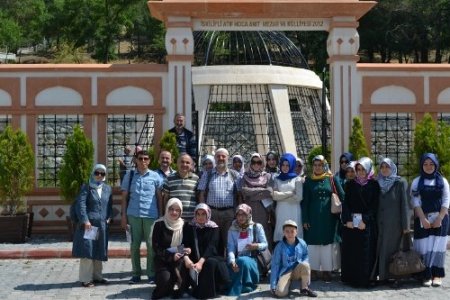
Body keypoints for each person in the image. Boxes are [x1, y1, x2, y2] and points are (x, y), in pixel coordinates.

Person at [121, 150, 163, 284]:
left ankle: (151, 274)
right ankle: (136, 274)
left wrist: (161, 215)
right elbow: (124, 197)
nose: (143, 161)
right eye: (140, 158)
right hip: (133, 215)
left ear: (149, 161)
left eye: (146, 158)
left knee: (151, 246)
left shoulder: (156, 176)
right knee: (134, 246)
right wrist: (123, 216)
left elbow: (159, 197)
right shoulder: (130, 175)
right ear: (136, 160)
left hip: (151, 215)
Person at [302, 155, 344, 282]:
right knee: (313, 244)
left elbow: (342, 195)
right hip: (313, 217)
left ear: (324, 165)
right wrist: (305, 219)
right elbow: (305, 202)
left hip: (329, 218)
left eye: (320, 165)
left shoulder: (331, 179)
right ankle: (313, 270)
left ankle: (327, 270)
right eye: (315, 165)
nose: (317, 167)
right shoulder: (308, 181)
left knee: (328, 244)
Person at [411, 153, 449, 287]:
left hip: (440, 219)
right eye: (425, 164)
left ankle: (437, 274)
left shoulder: (442, 181)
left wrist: (440, 218)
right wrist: (423, 218)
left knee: (438, 246)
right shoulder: (417, 181)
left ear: (436, 165)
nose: (428, 167)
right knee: (424, 247)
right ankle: (425, 274)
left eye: (431, 164)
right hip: (423, 220)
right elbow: (415, 202)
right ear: (422, 165)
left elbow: (446, 200)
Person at [341, 157, 380, 287]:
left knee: (366, 253)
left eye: (363, 169)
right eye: (358, 169)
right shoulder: (351, 184)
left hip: (366, 225)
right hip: (352, 225)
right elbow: (345, 204)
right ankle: (352, 279)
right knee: (352, 252)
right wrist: (347, 220)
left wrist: (365, 220)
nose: (361, 172)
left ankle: (366, 279)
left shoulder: (374, 185)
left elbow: (375, 206)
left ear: (368, 169)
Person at [72, 164, 113, 287]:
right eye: (97, 173)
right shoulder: (87, 187)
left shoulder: (107, 189)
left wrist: (109, 217)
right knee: (88, 250)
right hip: (90, 225)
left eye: (102, 173)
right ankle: (86, 279)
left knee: (99, 249)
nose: (99, 175)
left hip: (102, 224)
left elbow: (109, 205)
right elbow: (81, 205)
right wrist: (85, 220)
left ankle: (97, 277)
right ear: (93, 173)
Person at [373, 157, 410, 286]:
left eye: (387, 167)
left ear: (392, 168)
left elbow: (405, 204)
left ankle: (396, 276)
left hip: (395, 223)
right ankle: (383, 276)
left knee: (394, 250)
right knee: (382, 249)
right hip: (381, 222)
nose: (384, 169)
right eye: (382, 167)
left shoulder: (399, 183)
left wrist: (406, 225)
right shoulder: (377, 182)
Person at [180, 203, 230, 299]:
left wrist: (200, 262)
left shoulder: (214, 228)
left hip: (212, 256)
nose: (200, 217)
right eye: (198, 214)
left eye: (203, 214)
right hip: (194, 258)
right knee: (183, 262)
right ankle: (185, 288)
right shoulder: (189, 226)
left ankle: (207, 293)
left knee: (210, 263)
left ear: (208, 214)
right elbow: (182, 244)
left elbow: (212, 247)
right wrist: (186, 259)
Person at [198, 148, 241, 256]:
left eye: (223, 156)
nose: (221, 158)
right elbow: (202, 193)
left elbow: (239, 195)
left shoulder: (235, 175)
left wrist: (238, 213)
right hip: (212, 213)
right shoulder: (207, 174)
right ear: (215, 158)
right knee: (213, 242)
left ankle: (229, 267)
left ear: (228, 158)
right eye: (218, 156)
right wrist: (203, 212)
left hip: (229, 214)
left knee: (229, 243)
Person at [151, 198, 190, 299]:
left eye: (177, 210)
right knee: (165, 281)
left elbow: (185, 243)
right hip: (163, 259)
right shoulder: (159, 224)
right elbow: (156, 247)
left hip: (179, 259)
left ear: (181, 211)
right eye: (171, 209)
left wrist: (182, 252)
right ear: (167, 209)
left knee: (183, 281)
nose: (174, 212)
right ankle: (169, 283)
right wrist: (171, 256)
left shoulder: (184, 225)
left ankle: (180, 285)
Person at [227, 204, 268, 296]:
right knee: (234, 263)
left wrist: (256, 246)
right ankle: (241, 284)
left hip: (253, 259)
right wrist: (232, 261)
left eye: (244, 214)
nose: (241, 217)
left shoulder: (257, 227)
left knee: (242, 261)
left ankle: (247, 283)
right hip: (238, 258)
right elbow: (231, 248)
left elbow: (265, 244)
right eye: (239, 215)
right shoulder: (232, 229)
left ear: (249, 215)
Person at [270, 220, 317, 298]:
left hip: (297, 269)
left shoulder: (302, 243)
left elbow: (306, 256)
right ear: (283, 232)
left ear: (296, 232)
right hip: (285, 272)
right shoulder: (279, 246)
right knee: (280, 293)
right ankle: (286, 284)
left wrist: (302, 263)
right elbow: (275, 265)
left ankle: (304, 288)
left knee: (305, 265)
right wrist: (273, 285)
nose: (290, 234)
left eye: (292, 231)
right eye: (287, 231)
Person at [241, 153, 274, 249]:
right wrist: (262, 190)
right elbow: (244, 191)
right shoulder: (245, 176)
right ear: (250, 163)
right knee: (250, 233)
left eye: (259, 162)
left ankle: (267, 260)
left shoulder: (267, 176)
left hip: (263, 210)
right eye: (253, 162)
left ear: (262, 163)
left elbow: (269, 192)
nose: (256, 164)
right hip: (249, 210)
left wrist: (251, 195)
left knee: (264, 233)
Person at [272, 153, 303, 243]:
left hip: (294, 210)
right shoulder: (277, 179)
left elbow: (299, 197)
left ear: (292, 165)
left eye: (287, 165)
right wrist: (290, 193)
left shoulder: (297, 179)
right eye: (283, 165)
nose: (285, 167)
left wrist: (281, 196)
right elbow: (274, 196)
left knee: (294, 234)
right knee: (281, 233)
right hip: (281, 210)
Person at [162, 154, 199, 220]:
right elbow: (165, 198)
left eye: (187, 163)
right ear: (177, 163)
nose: (184, 164)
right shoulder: (169, 179)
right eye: (182, 162)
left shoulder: (196, 179)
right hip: (174, 217)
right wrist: (165, 213)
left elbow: (198, 197)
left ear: (191, 165)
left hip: (191, 218)